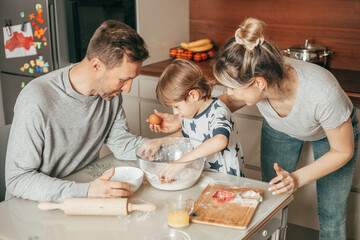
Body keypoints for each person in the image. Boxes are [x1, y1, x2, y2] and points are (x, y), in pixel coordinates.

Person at [149, 18, 358, 240]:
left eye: (233, 87)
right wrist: (184, 118)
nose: (229, 92)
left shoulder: (323, 93)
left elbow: (343, 151)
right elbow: (221, 106)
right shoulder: (256, 75)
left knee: (331, 213)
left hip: (330, 136)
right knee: (271, 201)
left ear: (259, 83)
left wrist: (296, 178)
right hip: (280, 127)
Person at [5, 20, 149, 203]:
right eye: (123, 79)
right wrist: (86, 191)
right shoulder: (36, 99)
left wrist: (162, 148)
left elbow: (121, 143)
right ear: (97, 66)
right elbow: (18, 180)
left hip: (75, 194)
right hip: (29, 205)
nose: (128, 88)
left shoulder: (109, 94)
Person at [143, 59, 244, 182]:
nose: (175, 112)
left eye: (176, 106)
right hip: (206, 177)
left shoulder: (217, 112)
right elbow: (187, 136)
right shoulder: (190, 113)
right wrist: (161, 141)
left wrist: (182, 162)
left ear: (193, 95)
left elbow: (220, 141)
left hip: (228, 181)